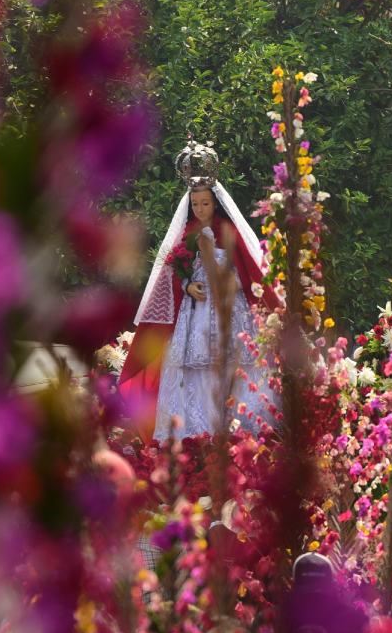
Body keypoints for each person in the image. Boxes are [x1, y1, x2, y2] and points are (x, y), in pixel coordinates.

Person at [119, 140, 281, 440]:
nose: (201, 208)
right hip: (194, 314)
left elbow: (247, 270)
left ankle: (237, 427)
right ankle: (197, 430)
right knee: (192, 369)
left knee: (236, 363)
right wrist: (186, 284)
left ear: (215, 203)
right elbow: (173, 271)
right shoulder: (187, 233)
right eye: (196, 204)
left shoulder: (227, 230)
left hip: (229, 308)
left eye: (205, 203)